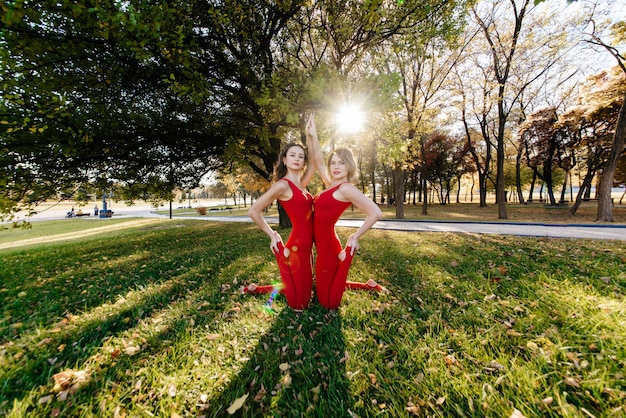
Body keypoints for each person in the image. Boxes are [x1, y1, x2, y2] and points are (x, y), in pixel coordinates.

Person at [306, 115, 385, 310]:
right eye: (333, 163)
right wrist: (312, 135)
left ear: (348, 165)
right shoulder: (331, 184)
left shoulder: (346, 189)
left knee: (327, 303)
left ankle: (358, 276)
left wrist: (355, 236)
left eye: (341, 163)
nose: (336, 166)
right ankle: (367, 285)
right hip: (319, 246)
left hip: (328, 250)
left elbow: (375, 212)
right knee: (320, 289)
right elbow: (318, 160)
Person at [243, 140, 317, 311]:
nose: (297, 159)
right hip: (296, 248)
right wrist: (272, 235)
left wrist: (311, 136)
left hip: (308, 249)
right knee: (300, 305)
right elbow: (254, 211)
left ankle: (257, 288)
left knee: (309, 291)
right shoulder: (283, 185)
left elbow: (315, 163)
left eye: (301, 156)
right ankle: (259, 290)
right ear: (284, 159)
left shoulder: (301, 184)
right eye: (292, 155)